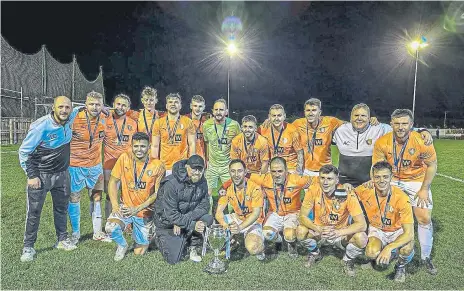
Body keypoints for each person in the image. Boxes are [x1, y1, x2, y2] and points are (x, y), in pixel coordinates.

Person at [373, 108, 438, 275]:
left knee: (424, 217)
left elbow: (432, 165)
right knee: (388, 214)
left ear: (411, 125)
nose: (401, 127)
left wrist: (424, 189)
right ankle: (393, 248)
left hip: (416, 180)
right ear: (391, 124)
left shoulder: (421, 141)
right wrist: (381, 187)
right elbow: (378, 168)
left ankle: (425, 257)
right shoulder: (382, 142)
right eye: (397, 123)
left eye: (404, 123)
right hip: (392, 179)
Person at [18, 96, 80, 262]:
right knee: (34, 212)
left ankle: (62, 240)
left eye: (67, 107)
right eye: (60, 107)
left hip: (62, 174)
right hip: (41, 175)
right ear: (53, 108)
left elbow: (82, 108)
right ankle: (28, 247)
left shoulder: (71, 116)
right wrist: (32, 175)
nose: (64, 110)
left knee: (61, 209)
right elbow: (24, 152)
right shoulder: (41, 126)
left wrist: (103, 108)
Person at [333, 103, 432, 187]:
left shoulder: (379, 128)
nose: (359, 118)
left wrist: (422, 130)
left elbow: (400, 129)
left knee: (368, 209)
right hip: (344, 182)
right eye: (356, 115)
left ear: (369, 118)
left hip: (370, 181)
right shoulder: (341, 130)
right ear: (350, 118)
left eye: (363, 116)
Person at [297, 165, 367, 277]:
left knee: (362, 238)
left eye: (329, 179)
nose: (325, 182)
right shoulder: (313, 189)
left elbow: (362, 224)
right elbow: (302, 216)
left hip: (340, 234)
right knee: (300, 231)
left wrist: (338, 233)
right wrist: (317, 228)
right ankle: (315, 253)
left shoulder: (346, 193)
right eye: (322, 178)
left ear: (337, 180)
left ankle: (347, 260)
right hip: (320, 232)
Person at [105, 132, 165, 261]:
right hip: (125, 208)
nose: (139, 149)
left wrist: (137, 209)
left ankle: (152, 232)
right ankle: (122, 245)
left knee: (139, 251)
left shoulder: (158, 165)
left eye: (142, 146)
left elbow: (157, 193)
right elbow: (112, 182)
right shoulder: (124, 158)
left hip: (144, 212)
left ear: (149, 147)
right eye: (136, 146)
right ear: (131, 146)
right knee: (110, 228)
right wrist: (115, 206)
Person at [355, 162, 415, 283]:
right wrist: (345, 186)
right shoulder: (365, 190)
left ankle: (400, 267)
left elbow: (409, 234)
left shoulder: (402, 197)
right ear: (372, 178)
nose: (381, 180)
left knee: (406, 249)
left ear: (391, 177)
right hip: (377, 229)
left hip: (397, 230)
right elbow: (347, 194)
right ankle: (377, 256)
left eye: (385, 177)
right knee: (371, 252)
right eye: (377, 177)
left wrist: (388, 248)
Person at [247, 157, 315, 257]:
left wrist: (342, 185)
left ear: (286, 170)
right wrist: (224, 187)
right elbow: (242, 175)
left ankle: (292, 245)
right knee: (267, 233)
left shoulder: (296, 180)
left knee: (290, 235)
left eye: (280, 171)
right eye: (274, 171)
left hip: (293, 213)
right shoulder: (265, 179)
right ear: (270, 171)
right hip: (275, 213)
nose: (277, 174)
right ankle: (279, 242)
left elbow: (318, 181)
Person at [153, 155, 213, 264]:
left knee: (207, 218)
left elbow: (204, 206)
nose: (197, 172)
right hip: (167, 222)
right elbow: (171, 214)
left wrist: (185, 221)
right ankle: (158, 236)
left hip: (184, 219)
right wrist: (190, 224)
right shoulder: (171, 183)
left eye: (200, 169)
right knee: (174, 259)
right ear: (186, 167)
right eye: (194, 168)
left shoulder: (202, 181)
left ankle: (193, 245)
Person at [68, 91, 110, 243]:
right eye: (91, 104)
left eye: (98, 104)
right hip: (75, 166)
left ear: (102, 105)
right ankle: (75, 233)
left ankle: (97, 232)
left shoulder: (105, 118)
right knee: (74, 197)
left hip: (95, 166)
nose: (94, 107)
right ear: (85, 105)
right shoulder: (74, 116)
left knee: (97, 197)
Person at [215, 159, 266, 260]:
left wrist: (240, 227)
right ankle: (234, 240)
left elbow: (256, 214)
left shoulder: (255, 188)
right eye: (233, 171)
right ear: (229, 172)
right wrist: (225, 225)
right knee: (218, 229)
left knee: (253, 248)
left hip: (254, 221)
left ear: (245, 172)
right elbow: (218, 212)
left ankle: (261, 246)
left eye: (240, 171)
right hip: (238, 218)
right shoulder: (227, 188)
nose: (236, 174)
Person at [103, 93, 138, 218]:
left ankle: (126, 223)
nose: (121, 107)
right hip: (109, 164)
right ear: (113, 105)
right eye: (118, 104)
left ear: (128, 108)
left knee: (127, 194)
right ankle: (109, 220)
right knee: (109, 194)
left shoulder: (133, 123)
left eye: (124, 105)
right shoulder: (105, 120)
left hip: (126, 164)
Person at [202, 99, 241, 209]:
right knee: (207, 193)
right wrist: (207, 162)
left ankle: (232, 220)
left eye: (221, 110)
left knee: (231, 193)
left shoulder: (234, 125)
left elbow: (239, 144)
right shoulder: (206, 125)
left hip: (227, 166)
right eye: (216, 109)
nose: (219, 112)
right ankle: (208, 220)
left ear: (226, 111)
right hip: (212, 166)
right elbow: (206, 143)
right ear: (212, 111)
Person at [152, 93, 196, 176]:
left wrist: (191, 163)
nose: (173, 104)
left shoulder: (187, 121)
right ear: (166, 106)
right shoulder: (158, 123)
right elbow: (155, 146)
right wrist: (155, 163)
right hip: (164, 166)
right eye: (170, 102)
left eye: (176, 102)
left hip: (182, 166)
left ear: (180, 106)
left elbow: (192, 144)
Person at [258, 104, 303, 175]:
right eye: (273, 116)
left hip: (289, 168)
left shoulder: (292, 130)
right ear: (269, 117)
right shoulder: (262, 129)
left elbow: (300, 152)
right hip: (271, 168)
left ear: (284, 116)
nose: (276, 118)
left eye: (279, 115)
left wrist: (299, 171)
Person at [185, 95, 211, 160]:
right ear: (191, 106)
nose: (197, 109)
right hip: (187, 160)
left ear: (204, 107)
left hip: (202, 160)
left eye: (200, 106)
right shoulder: (184, 120)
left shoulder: (207, 122)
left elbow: (207, 144)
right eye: (195, 106)